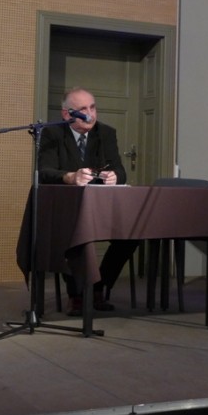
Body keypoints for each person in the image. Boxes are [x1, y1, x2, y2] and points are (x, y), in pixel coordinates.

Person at [39, 87, 137, 316]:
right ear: (67, 114)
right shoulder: (53, 134)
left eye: (93, 107)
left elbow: (120, 171)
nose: (90, 114)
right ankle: (77, 295)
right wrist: (70, 177)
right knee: (73, 235)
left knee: (132, 235)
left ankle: (98, 287)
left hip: (101, 208)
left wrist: (115, 176)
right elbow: (44, 171)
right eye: (83, 109)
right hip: (67, 209)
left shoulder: (106, 133)